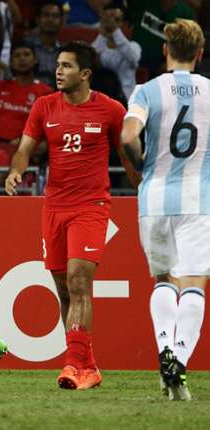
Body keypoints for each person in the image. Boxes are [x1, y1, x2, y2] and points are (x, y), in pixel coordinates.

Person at [5, 41, 137, 390]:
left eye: (66, 66)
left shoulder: (110, 110)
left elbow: (127, 158)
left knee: (79, 281)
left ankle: (72, 365)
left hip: (91, 206)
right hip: (54, 207)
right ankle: (87, 366)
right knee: (64, 290)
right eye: (58, 65)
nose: (58, 71)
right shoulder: (44, 106)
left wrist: (141, 185)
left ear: (86, 73)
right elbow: (24, 150)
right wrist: (15, 171)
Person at [120, 18, 207, 401]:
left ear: (165, 50)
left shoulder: (146, 90)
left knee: (162, 281)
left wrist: (141, 166)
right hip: (198, 201)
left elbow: (127, 136)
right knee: (193, 284)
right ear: (200, 54)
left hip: (153, 199)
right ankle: (181, 360)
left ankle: (164, 350)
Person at [0, 42, 53, 154]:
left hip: (27, 149)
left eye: (26, 54)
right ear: (10, 62)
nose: (22, 59)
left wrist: (21, 144)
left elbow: (45, 129)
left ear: (35, 59)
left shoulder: (46, 92)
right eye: (17, 55)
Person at [91, 3, 141, 98]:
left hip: (125, 100)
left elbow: (133, 59)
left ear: (125, 24)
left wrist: (114, 30)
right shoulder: (100, 44)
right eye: (107, 20)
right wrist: (102, 35)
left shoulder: (134, 46)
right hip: (102, 98)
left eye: (116, 20)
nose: (110, 24)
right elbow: (88, 59)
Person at [23, 1, 64, 88]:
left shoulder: (65, 51)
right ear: (38, 20)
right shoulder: (25, 46)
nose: (50, 19)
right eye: (46, 15)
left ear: (61, 21)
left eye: (55, 16)